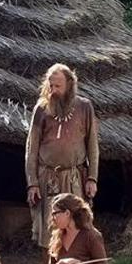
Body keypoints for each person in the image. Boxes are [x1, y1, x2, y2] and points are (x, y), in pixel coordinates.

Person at [24, 63, 99, 248]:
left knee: (76, 227)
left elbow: (92, 146)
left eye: (58, 86)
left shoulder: (84, 107)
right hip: (47, 178)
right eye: (51, 85)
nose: (53, 90)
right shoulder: (41, 109)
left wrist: (92, 178)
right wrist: (32, 182)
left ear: (70, 85)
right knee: (48, 230)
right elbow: (31, 148)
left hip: (74, 178)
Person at [21, 193, 109, 264]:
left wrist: (77, 263)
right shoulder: (58, 236)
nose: (53, 218)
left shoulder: (91, 235)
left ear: (67, 213)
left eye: (55, 213)